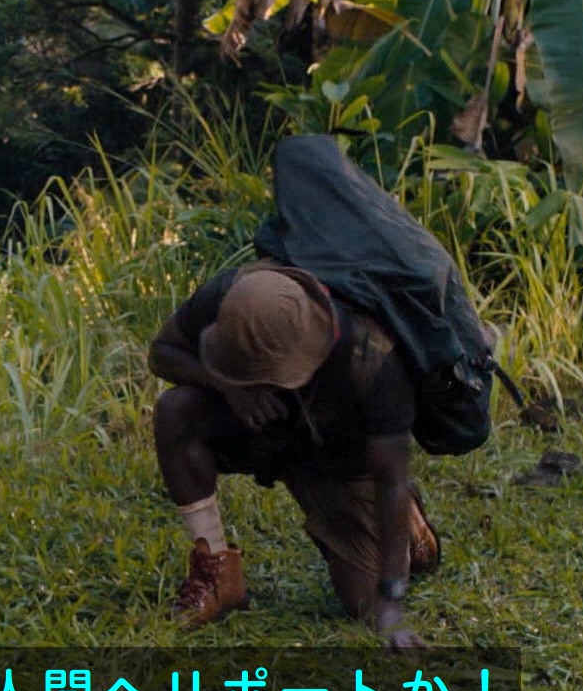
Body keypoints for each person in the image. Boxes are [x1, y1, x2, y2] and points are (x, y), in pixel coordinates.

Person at [149, 259, 480, 654]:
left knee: (362, 600)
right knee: (176, 411)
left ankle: (411, 525)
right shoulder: (232, 297)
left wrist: (391, 604)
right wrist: (229, 386)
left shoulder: (372, 356)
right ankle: (217, 571)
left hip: (339, 455)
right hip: (261, 421)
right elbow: (163, 352)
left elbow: (390, 478)